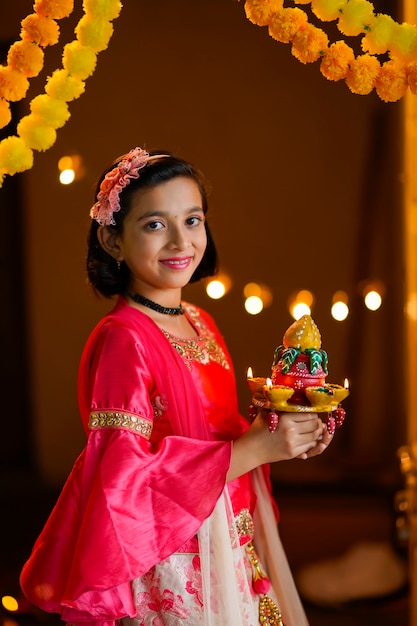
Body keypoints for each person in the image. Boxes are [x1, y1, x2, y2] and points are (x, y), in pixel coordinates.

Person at [20, 147, 333, 626]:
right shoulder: (123, 338)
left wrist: (286, 433)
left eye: (192, 220)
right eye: (154, 225)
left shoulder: (199, 321)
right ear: (112, 240)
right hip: (173, 559)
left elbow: (222, 433)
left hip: (230, 535)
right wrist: (252, 450)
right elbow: (117, 481)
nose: (179, 241)